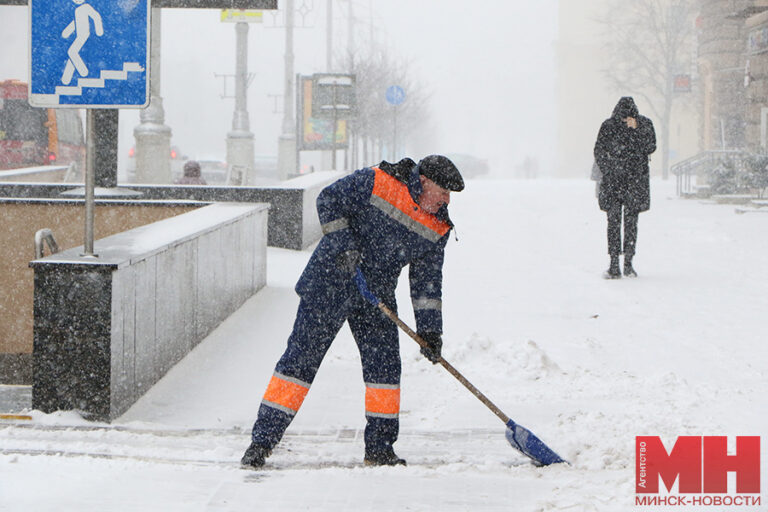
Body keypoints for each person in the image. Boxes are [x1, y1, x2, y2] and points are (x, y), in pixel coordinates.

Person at [241, 155, 464, 468]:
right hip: (330, 281)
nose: (446, 200)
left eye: (449, 195)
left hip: (376, 297)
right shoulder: (379, 181)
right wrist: (344, 244)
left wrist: (430, 331)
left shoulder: (437, 225)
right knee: (299, 363)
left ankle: (380, 450)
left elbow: (427, 285)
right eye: (442, 191)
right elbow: (328, 199)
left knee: (384, 371)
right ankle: (261, 443)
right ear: (424, 180)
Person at [593, 97, 656, 279]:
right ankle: (616, 263)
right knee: (618, 223)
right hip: (622, 182)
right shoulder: (609, 126)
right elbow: (599, 150)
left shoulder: (643, 124)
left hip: (630, 182)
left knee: (626, 222)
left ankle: (626, 263)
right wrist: (609, 169)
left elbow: (651, 146)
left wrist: (637, 129)